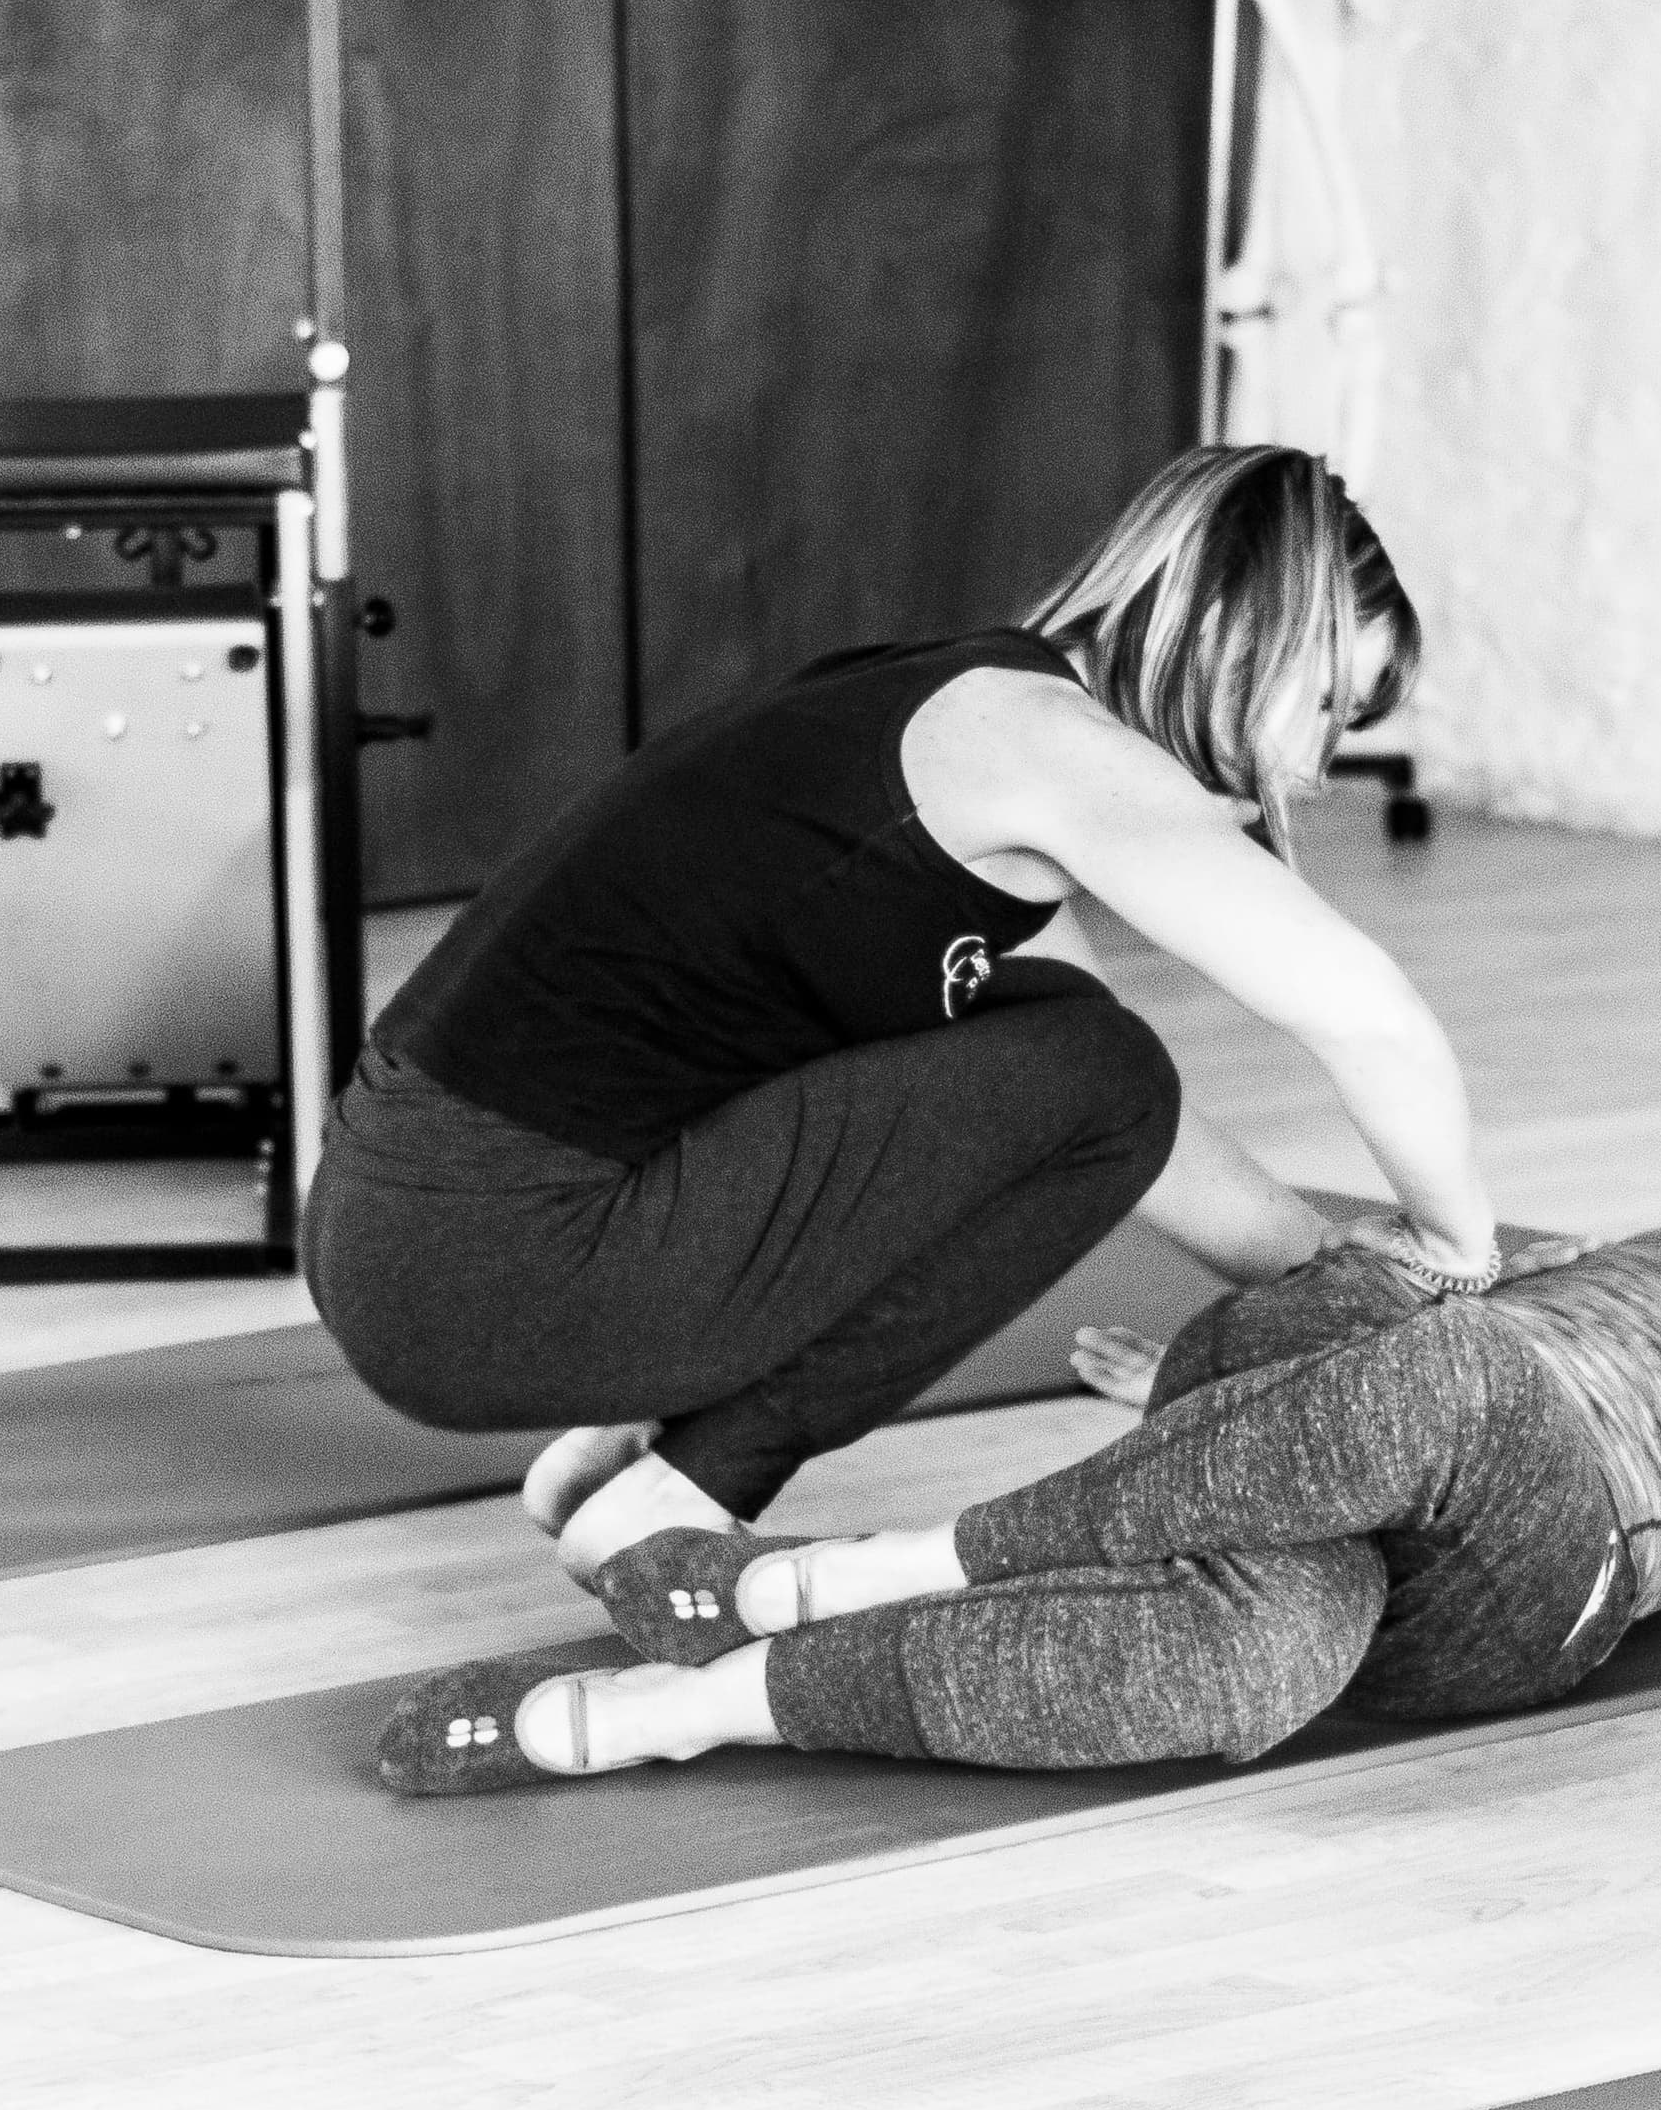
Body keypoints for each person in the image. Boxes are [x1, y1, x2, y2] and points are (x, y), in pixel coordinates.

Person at [374, 1086, 1661, 1791]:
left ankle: (776, 1583)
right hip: (1362, 1447)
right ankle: (684, 1705)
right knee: (1257, 1651)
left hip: (1536, 1561)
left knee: (1459, 1361)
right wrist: (1242, 1368)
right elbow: (1400, 1270)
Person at [309, 444, 1512, 1582]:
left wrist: (1322, 1267)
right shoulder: (1048, 749)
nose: (1310, 767)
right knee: (1098, 1068)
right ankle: (693, 1485)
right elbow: (1368, 1018)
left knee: (1062, 1058)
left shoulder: (963, 716)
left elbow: (1124, 1133)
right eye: (1322, 706)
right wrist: (1463, 1254)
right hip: (481, 1259)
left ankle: (636, 1435)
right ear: (1226, 627)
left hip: (405, 1234)